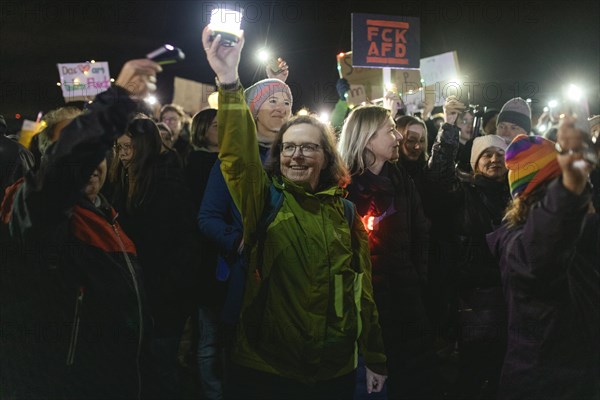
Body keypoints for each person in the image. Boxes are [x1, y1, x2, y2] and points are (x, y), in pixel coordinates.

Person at [202, 26, 387, 399]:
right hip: (268, 368)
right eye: (287, 148)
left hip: (333, 370)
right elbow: (238, 158)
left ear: (327, 156)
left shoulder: (346, 213)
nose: (296, 155)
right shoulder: (263, 200)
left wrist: (375, 356)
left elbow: (361, 294)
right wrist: (227, 78)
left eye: (308, 147)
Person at [0, 59, 161, 399]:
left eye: (101, 151)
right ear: (47, 160)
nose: (93, 162)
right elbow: (63, 172)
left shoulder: (109, 218)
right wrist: (114, 101)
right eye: (83, 149)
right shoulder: (35, 213)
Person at [197, 57, 292, 400]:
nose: (281, 108)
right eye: (272, 101)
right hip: (246, 281)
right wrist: (238, 243)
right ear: (252, 110)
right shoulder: (233, 162)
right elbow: (207, 217)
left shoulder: (299, 157)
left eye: (287, 102)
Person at [487, 119, 599, 400]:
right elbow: (546, 243)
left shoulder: (579, 233)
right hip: (543, 384)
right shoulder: (517, 245)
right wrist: (570, 184)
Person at [338, 105, 437, 400]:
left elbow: (420, 233)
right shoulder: (342, 186)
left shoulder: (401, 179)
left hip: (406, 296)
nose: (398, 137)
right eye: (390, 130)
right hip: (364, 303)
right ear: (368, 139)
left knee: (410, 375)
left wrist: (417, 278)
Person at [109, 116, 204, 399]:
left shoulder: (167, 182)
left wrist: (167, 286)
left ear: (144, 147)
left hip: (163, 297)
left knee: (161, 367)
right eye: (119, 147)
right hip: (135, 293)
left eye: (129, 148)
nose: (123, 155)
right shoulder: (121, 180)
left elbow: (182, 242)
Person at [427, 119, 511, 398]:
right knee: (471, 373)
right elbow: (438, 176)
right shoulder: (463, 192)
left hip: (510, 298)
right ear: (475, 163)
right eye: (486, 154)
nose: (494, 159)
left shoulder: (517, 197)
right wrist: (449, 130)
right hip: (472, 301)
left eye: (500, 154)